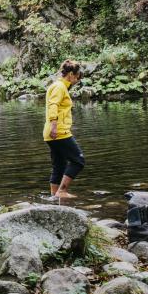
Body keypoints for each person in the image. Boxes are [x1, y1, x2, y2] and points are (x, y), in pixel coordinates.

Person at [44, 59, 85, 200]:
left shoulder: (59, 86)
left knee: (59, 165)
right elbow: (53, 105)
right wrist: (54, 126)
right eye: (77, 77)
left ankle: (54, 197)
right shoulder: (59, 87)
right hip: (59, 132)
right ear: (71, 74)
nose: (76, 81)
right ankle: (62, 191)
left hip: (52, 133)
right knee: (78, 160)